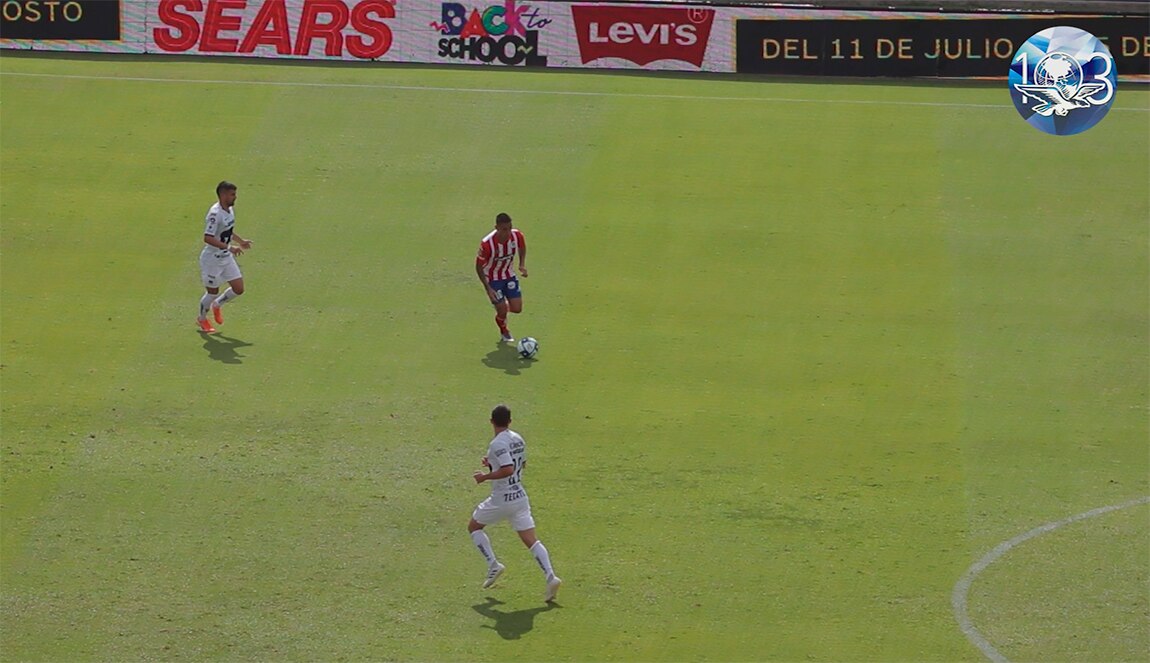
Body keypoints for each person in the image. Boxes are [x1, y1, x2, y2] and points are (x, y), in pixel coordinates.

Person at [468, 404, 561, 603]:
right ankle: (551, 577)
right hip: (520, 496)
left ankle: (493, 564)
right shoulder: (518, 439)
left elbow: (508, 468)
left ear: (491, 421)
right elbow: (520, 464)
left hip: (502, 498)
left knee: (474, 526)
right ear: (510, 421)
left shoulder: (497, 444)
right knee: (532, 540)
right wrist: (492, 463)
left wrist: (485, 477)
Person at [196, 181, 252, 333]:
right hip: (212, 260)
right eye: (232, 194)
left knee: (239, 289)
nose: (235, 197)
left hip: (225, 257)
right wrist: (229, 247)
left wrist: (241, 241)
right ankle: (201, 319)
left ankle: (217, 305)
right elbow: (207, 237)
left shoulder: (229, 210)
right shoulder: (215, 214)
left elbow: (227, 231)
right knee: (212, 292)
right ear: (223, 195)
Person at [475, 212, 527, 343]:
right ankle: (504, 329)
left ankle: (501, 306)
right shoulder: (487, 244)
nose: (508, 232)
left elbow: (522, 247)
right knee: (502, 310)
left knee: (517, 308)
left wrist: (521, 264)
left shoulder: (517, 235)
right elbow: (479, 267)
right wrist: (488, 288)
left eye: (510, 228)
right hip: (492, 279)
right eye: (504, 229)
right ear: (496, 228)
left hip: (509, 275)